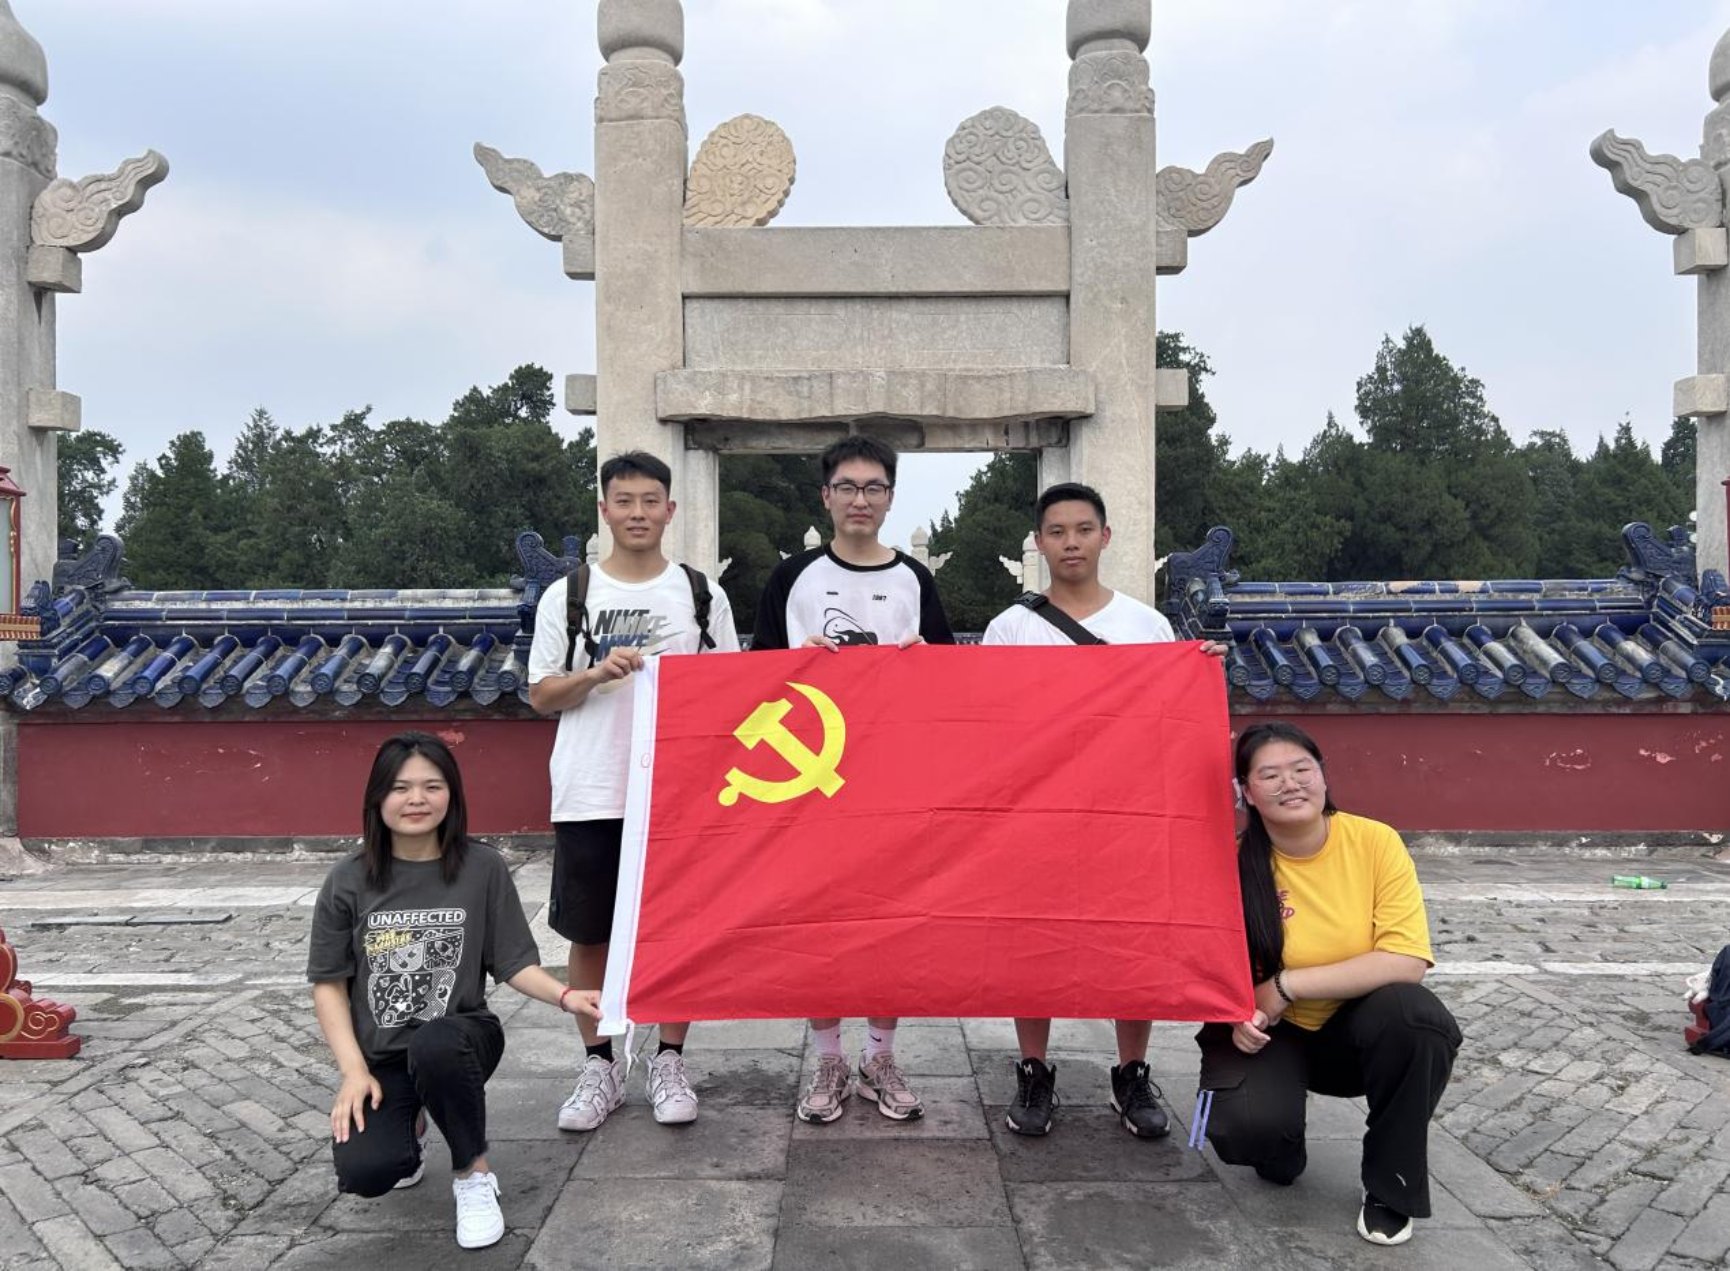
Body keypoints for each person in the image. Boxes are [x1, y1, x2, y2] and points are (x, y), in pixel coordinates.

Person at [983, 481, 1224, 1141]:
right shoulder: (1011, 628)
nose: (1071, 543)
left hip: (1124, 810)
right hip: (1038, 811)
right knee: (1033, 940)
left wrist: (1199, 670)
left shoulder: (1146, 626)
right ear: (1039, 542)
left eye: (1083, 529)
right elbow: (988, 721)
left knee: (1131, 935)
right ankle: (1033, 1067)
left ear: (1105, 537)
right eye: (1057, 531)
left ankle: (1132, 1071)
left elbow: (1170, 720)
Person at [308, 732, 601, 1251]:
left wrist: (566, 996)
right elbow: (329, 983)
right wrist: (354, 1072)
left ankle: (473, 1174)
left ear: (452, 794)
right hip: (385, 1056)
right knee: (367, 1171)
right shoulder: (348, 879)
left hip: (462, 1037)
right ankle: (413, 1129)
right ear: (377, 797)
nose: (416, 799)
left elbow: (513, 962)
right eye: (400, 788)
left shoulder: (481, 867)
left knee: (436, 1044)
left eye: (432, 786)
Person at [528, 451, 740, 1133]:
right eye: (625, 501)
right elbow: (540, 693)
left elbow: (733, 692)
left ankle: (670, 1057)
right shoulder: (570, 595)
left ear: (670, 510)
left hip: (679, 794)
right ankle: (600, 1062)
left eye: (651, 501)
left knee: (676, 927)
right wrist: (594, 674)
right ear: (604, 510)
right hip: (592, 786)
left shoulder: (701, 594)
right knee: (589, 930)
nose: (638, 513)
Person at [1195, 721, 1462, 1247]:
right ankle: (1280, 1138)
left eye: (1302, 769)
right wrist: (1236, 1011)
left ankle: (1391, 1185)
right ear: (1247, 791)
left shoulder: (1374, 842)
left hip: (1357, 1033)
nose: (1290, 784)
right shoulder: (1232, 862)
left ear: (1323, 776)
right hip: (1273, 1034)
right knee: (1247, 1134)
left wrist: (1286, 985)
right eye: (1270, 775)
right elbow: (1208, 963)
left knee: (1416, 1017)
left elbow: (1407, 959)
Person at [753, 434, 955, 1123]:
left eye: (873, 487)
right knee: (818, 923)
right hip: (810, 778)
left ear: (891, 498)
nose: (860, 499)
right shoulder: (793, 579)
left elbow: (950, 682)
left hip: (895, 778)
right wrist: (795, 663)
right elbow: (752, 682)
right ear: (826, 496)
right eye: (847, 486)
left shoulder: (914, 579)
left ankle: (880, 1054)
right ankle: (830, 1058)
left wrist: (924, 662)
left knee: (891, 921)